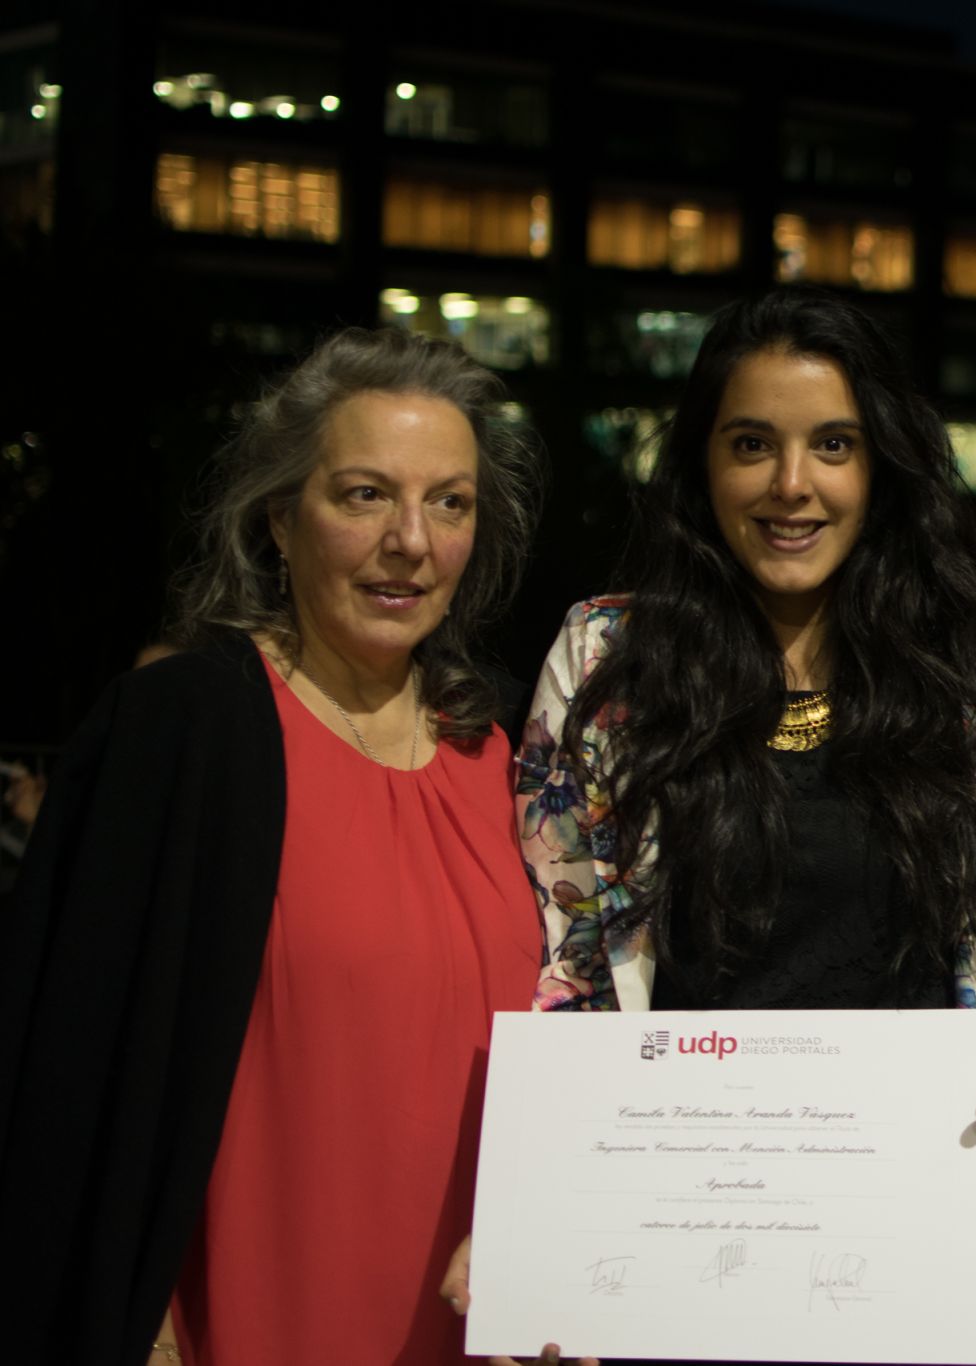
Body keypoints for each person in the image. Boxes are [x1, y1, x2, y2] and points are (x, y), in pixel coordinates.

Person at [439, 287, 976, 1349]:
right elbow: (568, 965)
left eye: (833, 445)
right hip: (668, 1236)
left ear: (883, 465)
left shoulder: (975, 665)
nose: (791, 484)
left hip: (898, 1233)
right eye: (751, 444)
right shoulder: (605, 660)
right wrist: (537, 1204)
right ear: (701, 464)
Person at [0, 327, 547, 1365]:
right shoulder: (179, 730)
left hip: (483, 1335)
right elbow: (65, 1085)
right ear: (280, 521)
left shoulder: (507, 749)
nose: (411, 542)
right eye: (365, 495)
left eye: (449, 503)